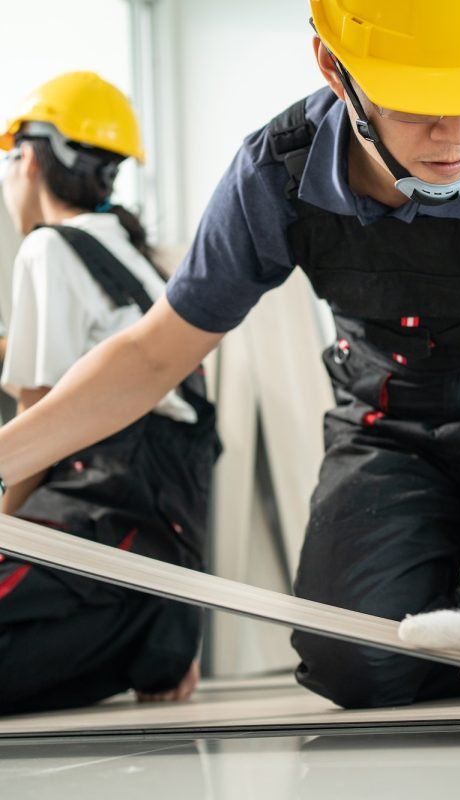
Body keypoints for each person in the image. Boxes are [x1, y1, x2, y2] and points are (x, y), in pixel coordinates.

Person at [0, 1, 460, 730]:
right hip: (389, 427)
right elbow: (154, 351)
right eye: (420, 106)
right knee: (350, 660)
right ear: (333, 67)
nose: (458, 136)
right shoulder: (274, 175)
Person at [0, 71, 220, 715]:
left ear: (31, 160)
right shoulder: (133, 256)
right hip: (157, 568)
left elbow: (35, 426)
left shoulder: (47, 248)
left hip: (102, 529)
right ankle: (152, 637)